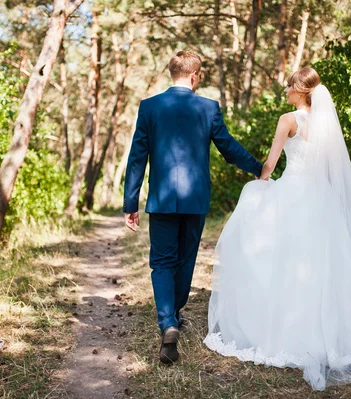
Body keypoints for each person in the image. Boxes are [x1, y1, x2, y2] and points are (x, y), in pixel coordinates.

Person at [204, 67, 351, 392]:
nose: (285, 89)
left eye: (289, 85)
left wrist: (258, 181)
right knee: (328, 268)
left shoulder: (288, 120)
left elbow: (270, 165)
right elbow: (330, 169)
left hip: (294, 192)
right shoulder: (326, 124)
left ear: (300, 89)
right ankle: (336, 333)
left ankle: (286, 330)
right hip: (321, 198)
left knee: (281, 256)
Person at [123, 50, 263, 364]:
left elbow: (137, 157)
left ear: (171, 73)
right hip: (196, 198)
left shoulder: (149, 107)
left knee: (161, 262)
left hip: (161, 198)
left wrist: (130, 202)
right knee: (186, 258)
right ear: (195, 75)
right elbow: (228, 148)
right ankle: (174, 312)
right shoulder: (208, 107)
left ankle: (168, 321)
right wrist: (257, 167)